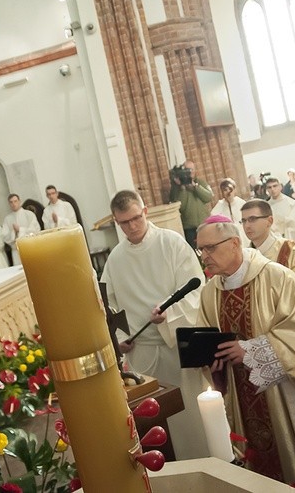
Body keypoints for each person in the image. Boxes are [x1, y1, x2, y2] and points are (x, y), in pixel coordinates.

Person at [195, 218, 295, 487]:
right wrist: (212, 359)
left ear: (234, 243)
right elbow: (206, 337)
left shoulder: (276, 277)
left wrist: (250, 350)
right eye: (201, 250)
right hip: (239, 394)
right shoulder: (210, 291)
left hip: (282, 396)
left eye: (210, 248)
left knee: (292, 466)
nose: (204, 257)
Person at [101, 190, 208, 460]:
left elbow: (196, 290)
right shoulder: (115, 259)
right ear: (116, 221)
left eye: (137, 218)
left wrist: (169, 316)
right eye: (124, 222)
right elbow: (107, 306)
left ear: (145, 211)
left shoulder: (172, 243)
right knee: (154, 424)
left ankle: (203, 465)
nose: (133, 226)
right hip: (142, 354)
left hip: (176, 347)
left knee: (190, 419)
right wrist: (120, 338)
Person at [240, 200, 295, 305]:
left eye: (252, 219)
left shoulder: (291, 251)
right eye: (243, 221)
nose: (247, 226)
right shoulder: (244, 257)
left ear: (269, 221)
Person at [169, 160, 213, 248]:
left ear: (195, 170)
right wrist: (182, 188)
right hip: (189, 228)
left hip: (205, 224)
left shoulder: (200, 182)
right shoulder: (176, 188)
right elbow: (180, 206)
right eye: (187, 170)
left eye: (192, 169)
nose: (190, 172)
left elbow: (208, 197)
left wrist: (195, 187)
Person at [264, 177, 295, 247]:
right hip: (274, 242)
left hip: (291, 240)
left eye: (275, 186)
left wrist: (287, 227)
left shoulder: (292, 204)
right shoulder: (266, 207)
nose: (272, 189)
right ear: (267, 190)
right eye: (269, 187)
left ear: (280, 187)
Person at [2, 193, 41, 265]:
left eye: (15, 201)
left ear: (20, 201)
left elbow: (35, 230)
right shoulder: (7, 219)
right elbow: (5, 236)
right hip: (16, 251)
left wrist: (20, 230)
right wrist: (13, 232)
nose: (13, 204)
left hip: (30, 247)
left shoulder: (29, 214)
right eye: (11, 202)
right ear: (9, 204)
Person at [210, 178, 248, 246]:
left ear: (234, 190)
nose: (228, 192)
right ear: (222, 192)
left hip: (244, 237)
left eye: (230, 189)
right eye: (225, 190)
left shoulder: (242, 203)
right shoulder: (219, 207)